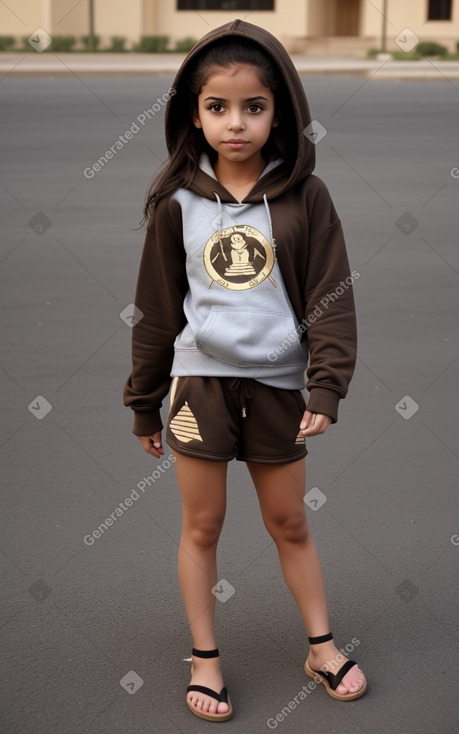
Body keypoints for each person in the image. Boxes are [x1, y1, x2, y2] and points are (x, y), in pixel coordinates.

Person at [124, 18, 367, 722]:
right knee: (202, 526)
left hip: (277, 391)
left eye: (253, 107)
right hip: (197, 388)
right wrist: (144, 403)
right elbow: (155, 311)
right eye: (218, 107)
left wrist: (326, 383)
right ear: (193, 116)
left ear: (278, 112)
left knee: (289, 520)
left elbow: (331, 296)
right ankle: (205, 658)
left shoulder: (304, 198)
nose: (236, 123)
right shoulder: (175, 204)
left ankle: (320, 648)